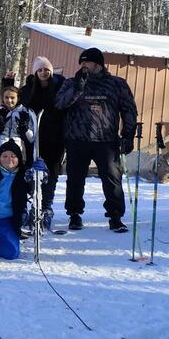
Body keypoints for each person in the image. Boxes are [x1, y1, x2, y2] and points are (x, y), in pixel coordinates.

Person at [54, 47, 138, 232]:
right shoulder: (71, 83)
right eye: (81, 62)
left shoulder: (117, 84)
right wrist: (78, 87)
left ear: (98, 64)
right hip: (77, 139)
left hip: (106, 141)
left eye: (87, 62)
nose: (83, 65)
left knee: (112, 179)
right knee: (75, 180)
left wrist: (128, 136)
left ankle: (115, 216)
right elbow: (60, 104)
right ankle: (74, 215)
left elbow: (129, 110)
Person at [20, 57, 66, 229]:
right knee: (31, 172)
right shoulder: (29, 89)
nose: (43, 73)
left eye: (46, 70)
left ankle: (46, 206)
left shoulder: (60, 87)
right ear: (35, 72)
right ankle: (32, 205)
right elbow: (15, 101)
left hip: (55, 138)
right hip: (34, 137)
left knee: (51, 173)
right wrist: (8, 82)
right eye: (40, 70)